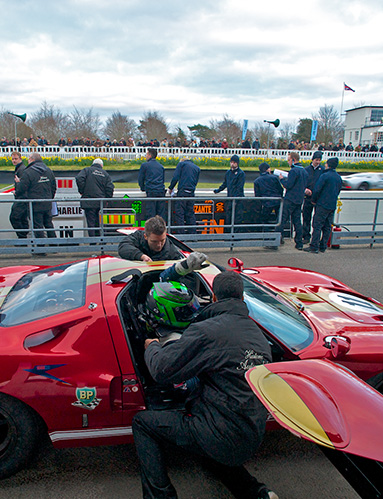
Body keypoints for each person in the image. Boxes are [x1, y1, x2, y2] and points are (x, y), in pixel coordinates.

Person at [133, 270, 277, 499]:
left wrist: (152, 346)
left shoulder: (208, 331)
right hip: (252, 431)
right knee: (215, 450)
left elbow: (161, 369)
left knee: (143, 423)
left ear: (214, 298)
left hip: (220, 432)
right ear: (242, 299)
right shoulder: (256, 333)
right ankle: (257, 493)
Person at [305, 157, 343, 254]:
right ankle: (323, 245)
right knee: (327, 226)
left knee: (317, 225)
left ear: (328, 165)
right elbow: (338, 190)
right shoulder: (338, 177)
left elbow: (317, 189)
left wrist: (313, 200)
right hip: (332, 204)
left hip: (322, 204)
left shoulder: (324, 176)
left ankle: (314, 246)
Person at [15, 152, 56, 238]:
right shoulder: (48, 170)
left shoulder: (28, 172)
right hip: (47, 202)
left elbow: (21, 189)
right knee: (49, 224)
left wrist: (19, 183)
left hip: (35, 203)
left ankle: (40, 247)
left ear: (32, 160)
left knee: (38, 226)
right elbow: (53, 187)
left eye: (29, 159)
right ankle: (54, 245)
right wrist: (49, 197)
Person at [76, 158, 115, 238]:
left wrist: (82, 190)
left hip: (89, 200)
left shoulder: (86, 170)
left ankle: (93, 242)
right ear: (101, 165)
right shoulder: (105, 174)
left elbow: (79, 178)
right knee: (100, 222)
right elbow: (110, 187)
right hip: (101, 201)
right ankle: (101, 240)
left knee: (91, 222)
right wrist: (107, 198)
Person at [280, 152, 309, 250]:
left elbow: (288, 185)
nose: (288, 162)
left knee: (282, 219)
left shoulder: (294, 171)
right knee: (297, 221)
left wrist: (282, 180)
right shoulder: (304, 171)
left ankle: (277, 239)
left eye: (289, 160)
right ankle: (299, 243)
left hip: (290, 198)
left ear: (293, 160)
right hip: (299, 199)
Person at [253, 162, 284, 247]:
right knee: (279, 220)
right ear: (267, 169)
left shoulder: (257, 181)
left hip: (266, 203)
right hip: (277, 201)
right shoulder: (274, 178)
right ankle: (280, 237)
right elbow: (280, 189)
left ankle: (267, 238)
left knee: (265, 220)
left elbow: (257, 195)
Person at [167, 157, 200, 234]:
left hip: (182, 192)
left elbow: (175, 177)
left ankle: (181, 235)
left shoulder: (181, 164)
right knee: (190, 214)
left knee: (179, 214)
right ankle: (193, 234)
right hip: (191, 193)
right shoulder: (197, 168)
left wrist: (171, 187)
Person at [213, 155, 245, 231]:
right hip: (229, 198)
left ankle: (235, 236)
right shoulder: (228, 173)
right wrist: (218, 190)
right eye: (231, 162)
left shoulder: (241, 173)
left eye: (234, 162)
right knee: (228, 218)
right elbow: (225, 183)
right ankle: (228, 235)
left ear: (237, 163)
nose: (232, 164)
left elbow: (239, 187)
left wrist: (236, 199)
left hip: (238, 199)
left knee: (237, 218)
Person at [138, 148, 167, 221]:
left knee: (151, 214)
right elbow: (163, 179)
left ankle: (151, 231)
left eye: (146, 154)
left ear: (150, 155)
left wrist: (142, 188)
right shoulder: (161, 166)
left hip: (151, 191)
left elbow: (140, 179)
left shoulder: (145, 165)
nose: (145, 156)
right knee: (161, 215)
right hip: (160, 191)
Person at [302, 151, 324, 244]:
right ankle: (306, 235)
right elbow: (302, 182)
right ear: (312, 159)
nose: (318, 162)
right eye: (316, 160)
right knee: (306, 217)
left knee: (317, 219)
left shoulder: (322, 170)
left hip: (318, 198)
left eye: (319, 160)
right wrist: (305, 189)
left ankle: (316, 238)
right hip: (307, 197)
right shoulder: (306, 170)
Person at [8, 151, 29, 238]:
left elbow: (24, 184)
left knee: (14, 217)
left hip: (22, 198)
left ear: (20, 159)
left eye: (16, 159)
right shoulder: (20, 169)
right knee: (22, 218)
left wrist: (17, 191)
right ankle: (23, 236)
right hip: (21, 197)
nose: (14, 161)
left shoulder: (21, 170)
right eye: (13, 159)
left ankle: (22, 236)